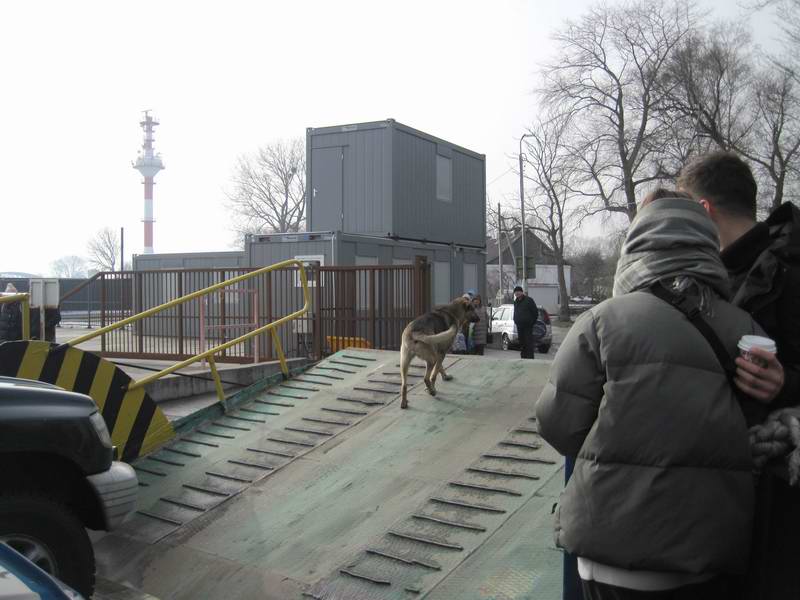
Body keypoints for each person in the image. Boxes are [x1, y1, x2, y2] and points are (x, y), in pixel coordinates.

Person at [537, 196, 765, 600]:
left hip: (608, 550)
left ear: (637, 245)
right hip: (707, 553)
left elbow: (559, 425)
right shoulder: (745, 329)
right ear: (707, 246)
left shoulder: (602, 321)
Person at [678, 151, 800, 599]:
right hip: (721, 494)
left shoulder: (790, 270)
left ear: (704, 210)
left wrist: (785, 383)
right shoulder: (703, 277)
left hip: (777, 510)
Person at [512, 286, 537, 359]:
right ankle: (523, 358)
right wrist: (515, 320)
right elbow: (515, 312)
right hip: (519, 326)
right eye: (515, 292)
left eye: (518, 291)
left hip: (528, 326)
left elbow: (535, 312)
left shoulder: (529, 300)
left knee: (528, 342)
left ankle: (530, 358)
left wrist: (531, 322)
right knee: (522, 343)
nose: (517, 293)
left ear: (522, 292)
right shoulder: (515, 302)